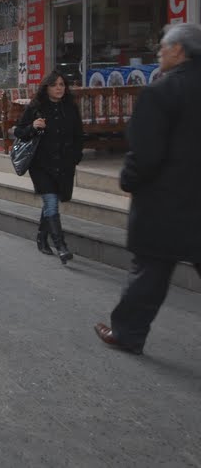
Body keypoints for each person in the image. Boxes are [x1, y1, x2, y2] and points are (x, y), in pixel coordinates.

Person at [95, 23, 201, 355]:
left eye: (163, 47)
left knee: (150, 271)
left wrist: (128, 179)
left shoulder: (160, 92)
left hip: (165, 201)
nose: (158, 53)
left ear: (179, 51)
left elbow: (146, 154)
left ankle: (127, 333)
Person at [13, 70, 84, 264]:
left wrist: (76, 157)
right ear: (47, 87)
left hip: (63, 164)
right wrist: (32, 126)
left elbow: (79, 134)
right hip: (41, 164)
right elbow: (19, 132)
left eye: (62, 84)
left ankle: (41, 236)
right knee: (51, 202)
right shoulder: (36, 107)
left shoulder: (70, 107)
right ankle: (61, 246)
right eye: (54, 85)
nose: (59, 88)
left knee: (53, 201)